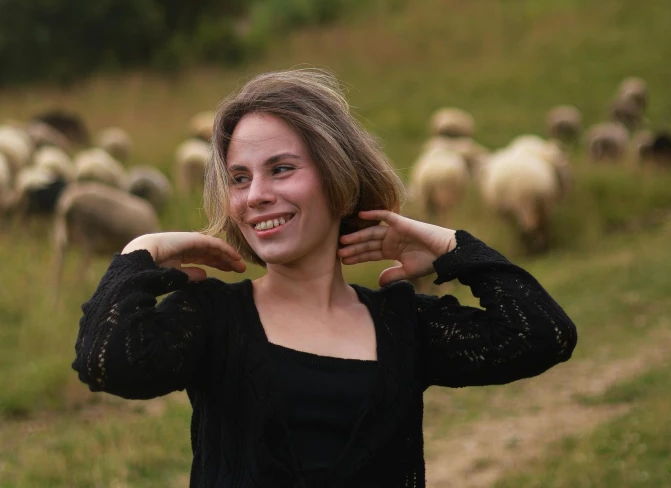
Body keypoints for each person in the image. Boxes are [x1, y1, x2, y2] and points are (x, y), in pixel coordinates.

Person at [72, 68, 577, 487]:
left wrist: (451, 248)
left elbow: (542, 334)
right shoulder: (212, 318)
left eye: (282, 169)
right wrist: (140, 254)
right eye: (240, 178)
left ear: (337, 177)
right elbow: (106, 361)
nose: (256, 196)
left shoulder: (402, 323)